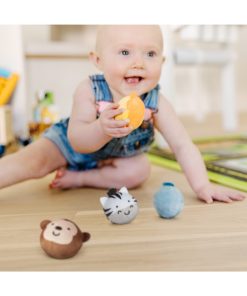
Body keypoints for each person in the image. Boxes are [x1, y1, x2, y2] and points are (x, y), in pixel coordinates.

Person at [0, 25, 245, 204]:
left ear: (162, 60)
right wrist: (100, 128)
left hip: (114, 160)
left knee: (139, 171)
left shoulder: (155, 102)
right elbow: (77, 140)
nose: (138, 62)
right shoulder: (89, 89)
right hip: (69, 145)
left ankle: (81, 179)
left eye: (150, 54)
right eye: (125, 53)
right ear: (98, 60)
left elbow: (182, 145)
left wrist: (203, 185)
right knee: (32, 162)